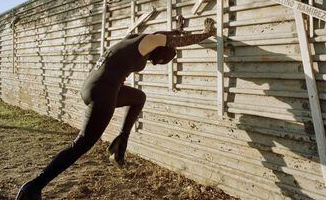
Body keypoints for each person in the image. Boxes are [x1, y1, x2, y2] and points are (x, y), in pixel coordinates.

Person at [16, 16, 216, 200]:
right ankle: (33, 187)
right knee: (81, 144)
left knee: (139, 97)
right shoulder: (150, 43)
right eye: (155, 60)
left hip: (93, 86)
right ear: (159, 50)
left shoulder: (137, 38)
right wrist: (207, 33)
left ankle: (120, 143)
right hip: (103, 92)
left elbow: (164, 37)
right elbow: (176, 42)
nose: (152, 62)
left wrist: (177, 29)